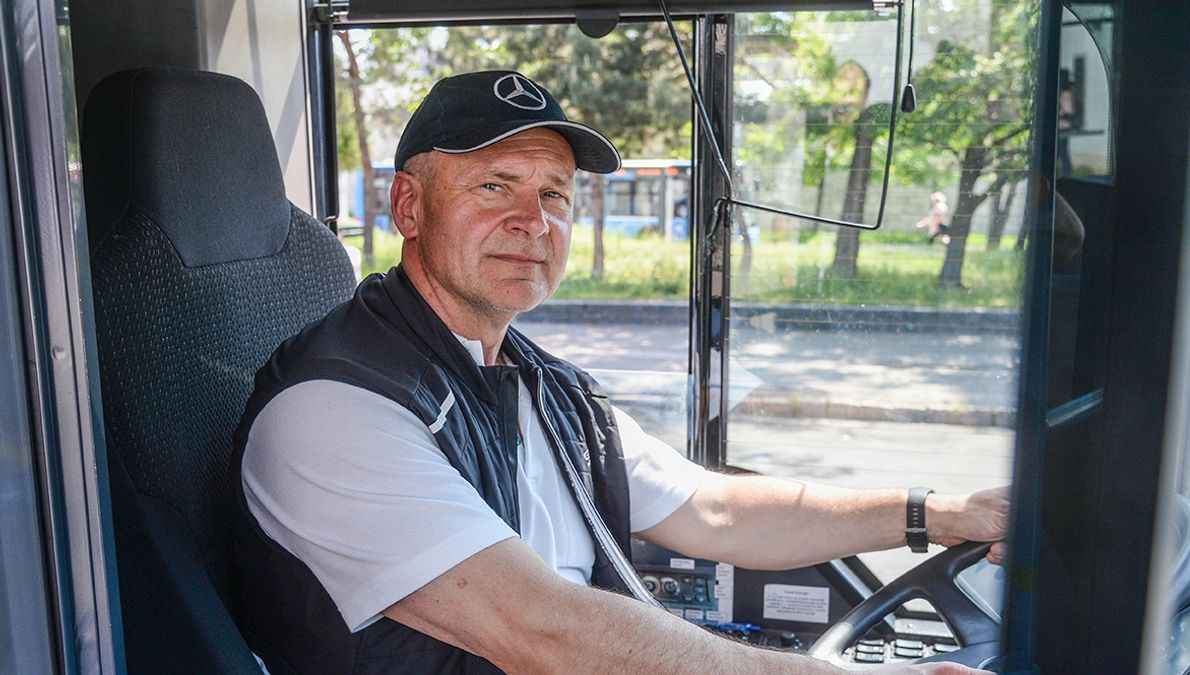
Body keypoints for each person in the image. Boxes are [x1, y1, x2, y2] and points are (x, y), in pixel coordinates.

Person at [230, 71, 1008, 674]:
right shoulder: (334, 408)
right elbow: (543, 632)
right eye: (493, 185)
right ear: (408, 207)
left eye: (554, 194)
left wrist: (939, 512)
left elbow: (715, 511)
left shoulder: (546, 386)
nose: (532, 221)